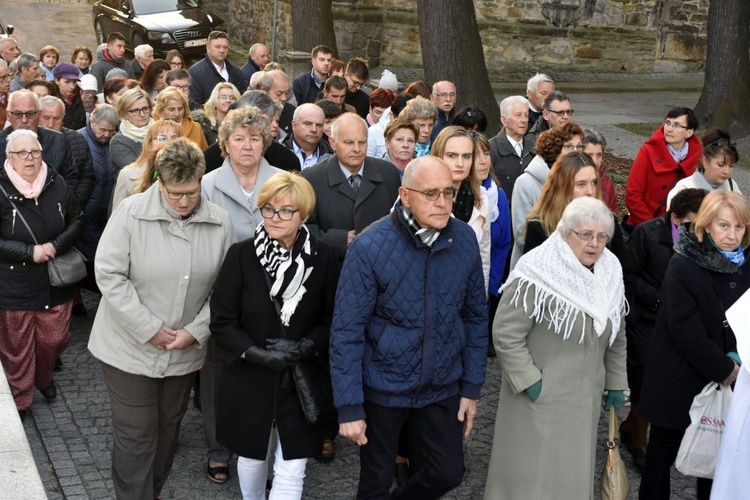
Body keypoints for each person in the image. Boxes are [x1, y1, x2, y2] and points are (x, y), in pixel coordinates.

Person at [330, 155, 488, 499]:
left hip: (442, 385)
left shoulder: (463, 240)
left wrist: (472, 387)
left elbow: (476, 317)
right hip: (383, 388)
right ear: (404, 194)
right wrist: (350, 407)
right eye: (431, 193)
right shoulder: (370, 247)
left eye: (448, 192)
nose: (443, 202)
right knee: (376, 482)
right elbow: (346, 331)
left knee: (448, 472)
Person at [88, 138, 235, 499]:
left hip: (184, 350)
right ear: (158, 181)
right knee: (136, 431)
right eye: (175, 194)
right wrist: (148, 328)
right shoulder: (131, 212)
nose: (184, 202)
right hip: (128, 347)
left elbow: (227, 290)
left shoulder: (220, 222)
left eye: (192, 192)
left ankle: (150, 491)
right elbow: (108, 273)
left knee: (169, 427)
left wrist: (196, 331)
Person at [484, 196, 627, 499]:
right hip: (538, 401)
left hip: (585, 398)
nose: (594, 244)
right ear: (565, 232)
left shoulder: (611, 271)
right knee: (531, 482)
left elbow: (617, 332)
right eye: (585, 235)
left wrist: (615, 383)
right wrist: (532, 383)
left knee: (571, 480)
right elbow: (506, 333)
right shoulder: (538, 269)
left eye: (602, 237)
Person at [210, 172, 341, 499]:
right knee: (253, 457)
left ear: (304, 215)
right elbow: (222, 321)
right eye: (268, 209)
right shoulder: (241, 255)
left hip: (301, 377)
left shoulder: (324, 257)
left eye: (286, 211)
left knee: (293, 466)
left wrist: (305, 346)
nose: (274, 217)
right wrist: (256, 354)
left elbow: (333, 317)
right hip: (250, 376)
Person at [638, 191, 750, 499]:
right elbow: (684, 328)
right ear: (707, 225)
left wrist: (739, 356)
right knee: (661, 458)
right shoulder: (684, 263)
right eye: (724, 226)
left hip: (728, 381)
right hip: (678, 379)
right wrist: (725, 366)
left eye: (739, 227)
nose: (732, 235)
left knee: (715, 460)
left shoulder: (744, 264)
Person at [201, 105, 285, 482]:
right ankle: (219, 448)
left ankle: (262, 455)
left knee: (268, 375)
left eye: (254, 138)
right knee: (219, 375)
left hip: (275, 296)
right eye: (239, 138)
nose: (247, 145)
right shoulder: (207, 185)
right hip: (223, 294)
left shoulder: (283, 181)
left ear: (265, 142)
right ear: (225, 144)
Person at [620, 187, 706, 472]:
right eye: (695, 222)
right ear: (677, 218)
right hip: (647, 320)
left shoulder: (704, 238)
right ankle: (638, 436)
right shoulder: (647, 233)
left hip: (682, 323)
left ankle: (637, 426)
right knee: (645, 380)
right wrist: (659, 300)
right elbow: (628, 275)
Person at [0, 129, 84, 418]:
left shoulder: (55, 181)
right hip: (13, 285)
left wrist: (55, 245)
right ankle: (21, 400)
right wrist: (28, 252)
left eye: (34, 152)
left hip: (54, 278)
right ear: (9, 157)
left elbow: (76, 219)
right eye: (21, 153)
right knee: (16, 348)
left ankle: (43, 376)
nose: (29, 158)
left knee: (54, 339)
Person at [300, 112, 401, 256]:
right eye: (348, 142)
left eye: (362, 142)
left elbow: (399, 222)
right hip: (332, 269)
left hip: (379, 264)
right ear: (333, 143)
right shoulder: (312, 178)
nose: (356, 149)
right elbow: (301, 228)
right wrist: (338, 239)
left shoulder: (388, 173)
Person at [510, 121, 584, 269]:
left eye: (580, 147)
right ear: (554, 150)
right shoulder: (525, 182)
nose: (576, 152)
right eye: (569, 147)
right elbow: (521, 236)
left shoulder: (582, 181)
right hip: (534, 265)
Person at [431, 125, 490, 290]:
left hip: (466, 290)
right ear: (438, 156)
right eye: (452, 156)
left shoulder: (482, 199)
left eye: (466, 156)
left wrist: (482, 292)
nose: (460, 163)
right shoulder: (419, 195)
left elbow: (483, 253)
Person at [625, 107, 701, 226]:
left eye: (676, 125)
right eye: (667, 123)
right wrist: (652, 227)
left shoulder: (698, 158)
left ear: (689, 132)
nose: (669, 129)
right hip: (644, 225)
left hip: (679, 228)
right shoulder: (648, 150)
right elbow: (633, 195)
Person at [470, 131, 511, 355]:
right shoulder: (452, 196)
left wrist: (490, 286)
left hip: (484, 288)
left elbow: (502, 244)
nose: (484, 161)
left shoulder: (498, 196)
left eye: (486, 153)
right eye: (476, 156)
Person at [74, 104, 119, 309]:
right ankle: (81, 297)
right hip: (84, 211)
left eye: (111, 131)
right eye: (102, 130)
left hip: (108, 212)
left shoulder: (116, 143)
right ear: (92, 122)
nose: (107, 135)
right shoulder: (78, 139)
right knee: (87, 258)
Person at [0, 90, 81, 200]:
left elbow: (71, 178)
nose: (24, 120)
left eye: (30, 114)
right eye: (18, 114)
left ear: (39, 114)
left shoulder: (58, 141)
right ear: (8, 115)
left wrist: (58, 206)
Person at [202, 90, 298, 174]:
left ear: (271, 120)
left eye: (261, 121)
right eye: (246, 118)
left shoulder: (287, 161)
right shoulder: (209, 159)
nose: (247, 146)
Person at [523, 152, 601, 253]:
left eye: (594, 182)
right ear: (562, 188)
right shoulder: (540, 226)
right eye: (581, 184)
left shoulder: (607, 223)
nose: (590, 191)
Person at [112, 119, 182, 210]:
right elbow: (118, 215)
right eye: (162, 138)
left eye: (174, 138)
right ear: (149, 144)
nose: (168, 143)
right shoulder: (127, 174)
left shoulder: (190, 173)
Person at [667, 127, 742, 208]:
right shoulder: (684, 188)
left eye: (731, 166)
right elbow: (673, 219)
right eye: (721, 165)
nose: (727, 171)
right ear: (705, 161)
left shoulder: (731, 185)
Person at [489, 95, 535, 202]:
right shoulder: (490, 149)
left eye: (526, 116)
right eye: (518, 115)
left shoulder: (535, 147)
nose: (524, 120)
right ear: (504, 120)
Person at [188, 30, 248, 108]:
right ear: (208, 48)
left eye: (225, 47)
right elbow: (194, 104)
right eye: (217, 47)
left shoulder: (237, 73)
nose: (222, 50)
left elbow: (244, 98)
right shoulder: (194, 73)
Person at [110, 87, 153, 172]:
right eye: (135, 111)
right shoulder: (118, 141)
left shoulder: (161, 131)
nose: (142, 114)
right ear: (125, 114)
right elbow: (137, 170)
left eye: (145, 109)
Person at [281, 103, 333, 170]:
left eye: (319, 125)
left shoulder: (333, 156)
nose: (314, 129)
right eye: (308, 124)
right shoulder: (278, 152)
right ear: (294, 125)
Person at [582, 127, 618, 213]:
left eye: (599, 155)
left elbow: (612, 218)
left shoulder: (606, 184)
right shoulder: (567, 181)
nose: (595, 161)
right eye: (589, 155)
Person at [52, 62, 86, 130]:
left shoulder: (82, 96)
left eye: (74, 82)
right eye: (67, 82)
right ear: (57, 81)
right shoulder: (50, 98)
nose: (72, 86)